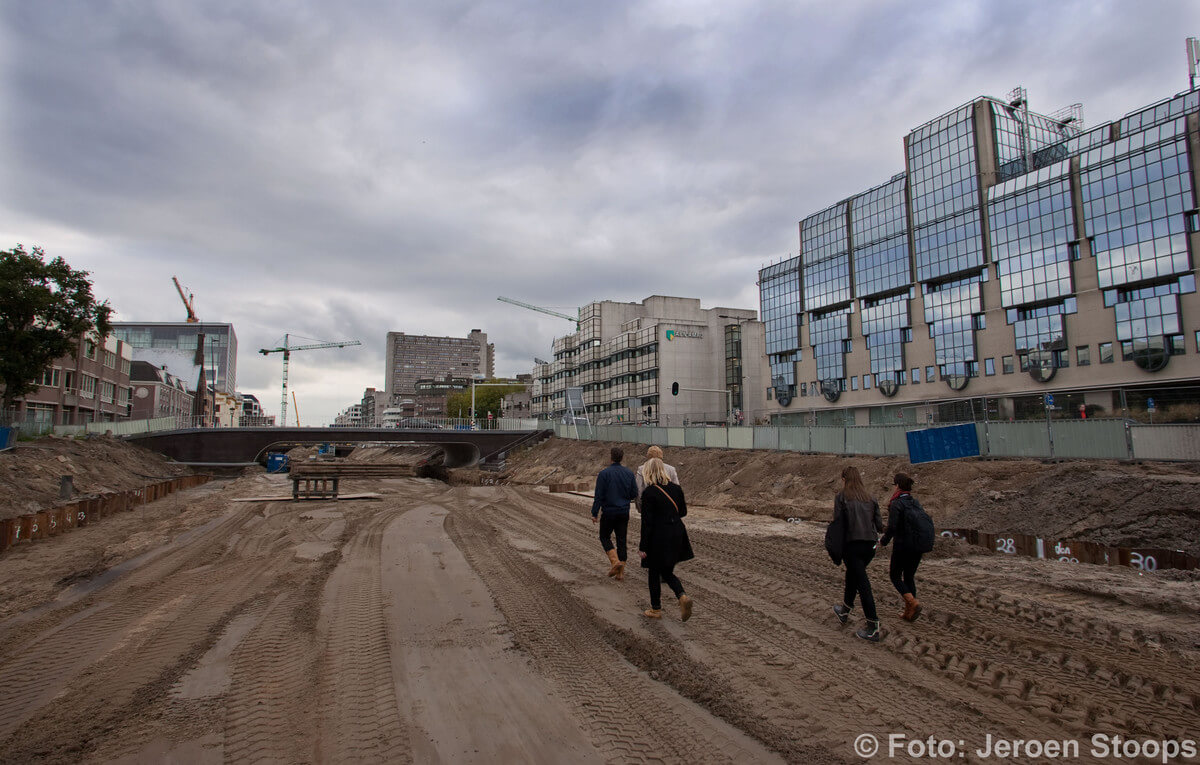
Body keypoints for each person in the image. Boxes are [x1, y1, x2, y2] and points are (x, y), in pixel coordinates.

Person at [830, 465, 884, 642]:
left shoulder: (842, 498)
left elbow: (838, 523)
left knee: (862, 583)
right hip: (869, 546)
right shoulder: (871, 498)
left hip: (851, 545)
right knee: (853, 575)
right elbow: (879, 525)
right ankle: (845, 610)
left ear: (845, 479)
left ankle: (873, 625)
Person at [638, 458, 694, 620]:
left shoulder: (649, 493)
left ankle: (656, 609)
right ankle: (682, 596)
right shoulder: (676, 489)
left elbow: (647, 523)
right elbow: (683, 512)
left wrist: (643, 546)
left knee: (654, 572)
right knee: (666, 571)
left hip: (658, 536)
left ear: (647, 472)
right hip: (677, 533)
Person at [880, 473, 925, 622]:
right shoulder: (915, 502)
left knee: (895, 576)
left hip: (903, 545)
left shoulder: (896, 504)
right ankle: (909, 611)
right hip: (918, 545)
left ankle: (912, 603)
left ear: (897, 485)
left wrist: (884, 541)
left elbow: (892, 526)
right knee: (909, 576)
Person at [591, 447, 638, 580]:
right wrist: (624, 498)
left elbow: (598, 496)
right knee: (621, 539)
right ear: (622, 458)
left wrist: (594, 513)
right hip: (624, 511)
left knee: (604, 537)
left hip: (609, 511)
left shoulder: (604, 474)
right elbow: (634, 493)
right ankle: (621, 572)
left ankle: (615, 562)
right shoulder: (629, 473)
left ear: (610, 457)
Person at [634, 445, 679, 510]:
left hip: (649, 507)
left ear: (648, 456)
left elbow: (639, 490)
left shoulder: (641, 469)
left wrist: (641, 508)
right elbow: (676, 489)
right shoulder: (671, 469)